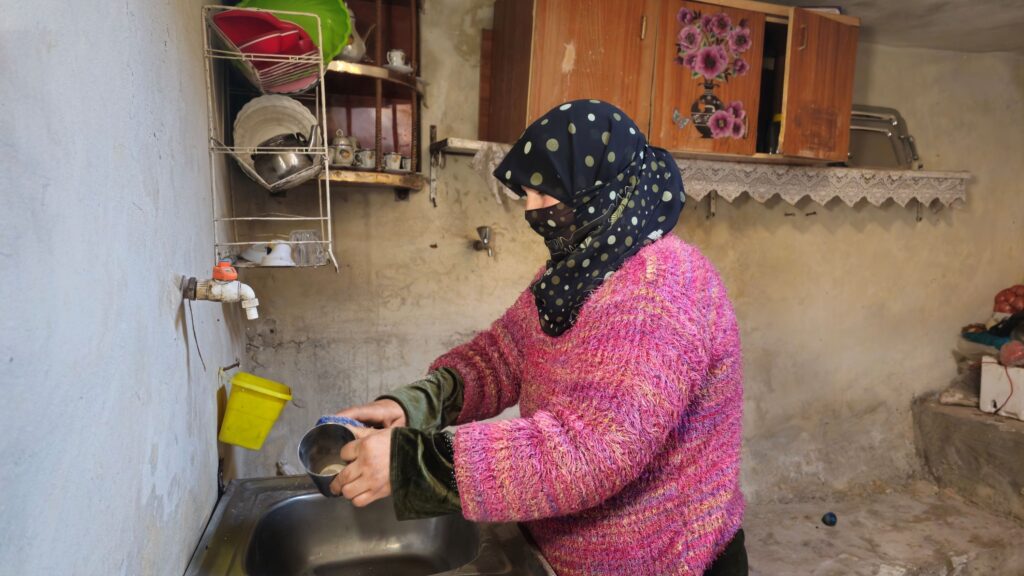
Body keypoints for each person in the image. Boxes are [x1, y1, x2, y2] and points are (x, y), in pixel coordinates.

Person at [332, 100, 747, 575]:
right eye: (528, 195)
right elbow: (505, 355)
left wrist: (417, 464)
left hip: (670, 560)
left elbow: (593, 451)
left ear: (600, 188)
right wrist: (420, 404)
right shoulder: (577, 270)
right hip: (567, 552)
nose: (532, 211)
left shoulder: (664, 287)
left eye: (547, 195)